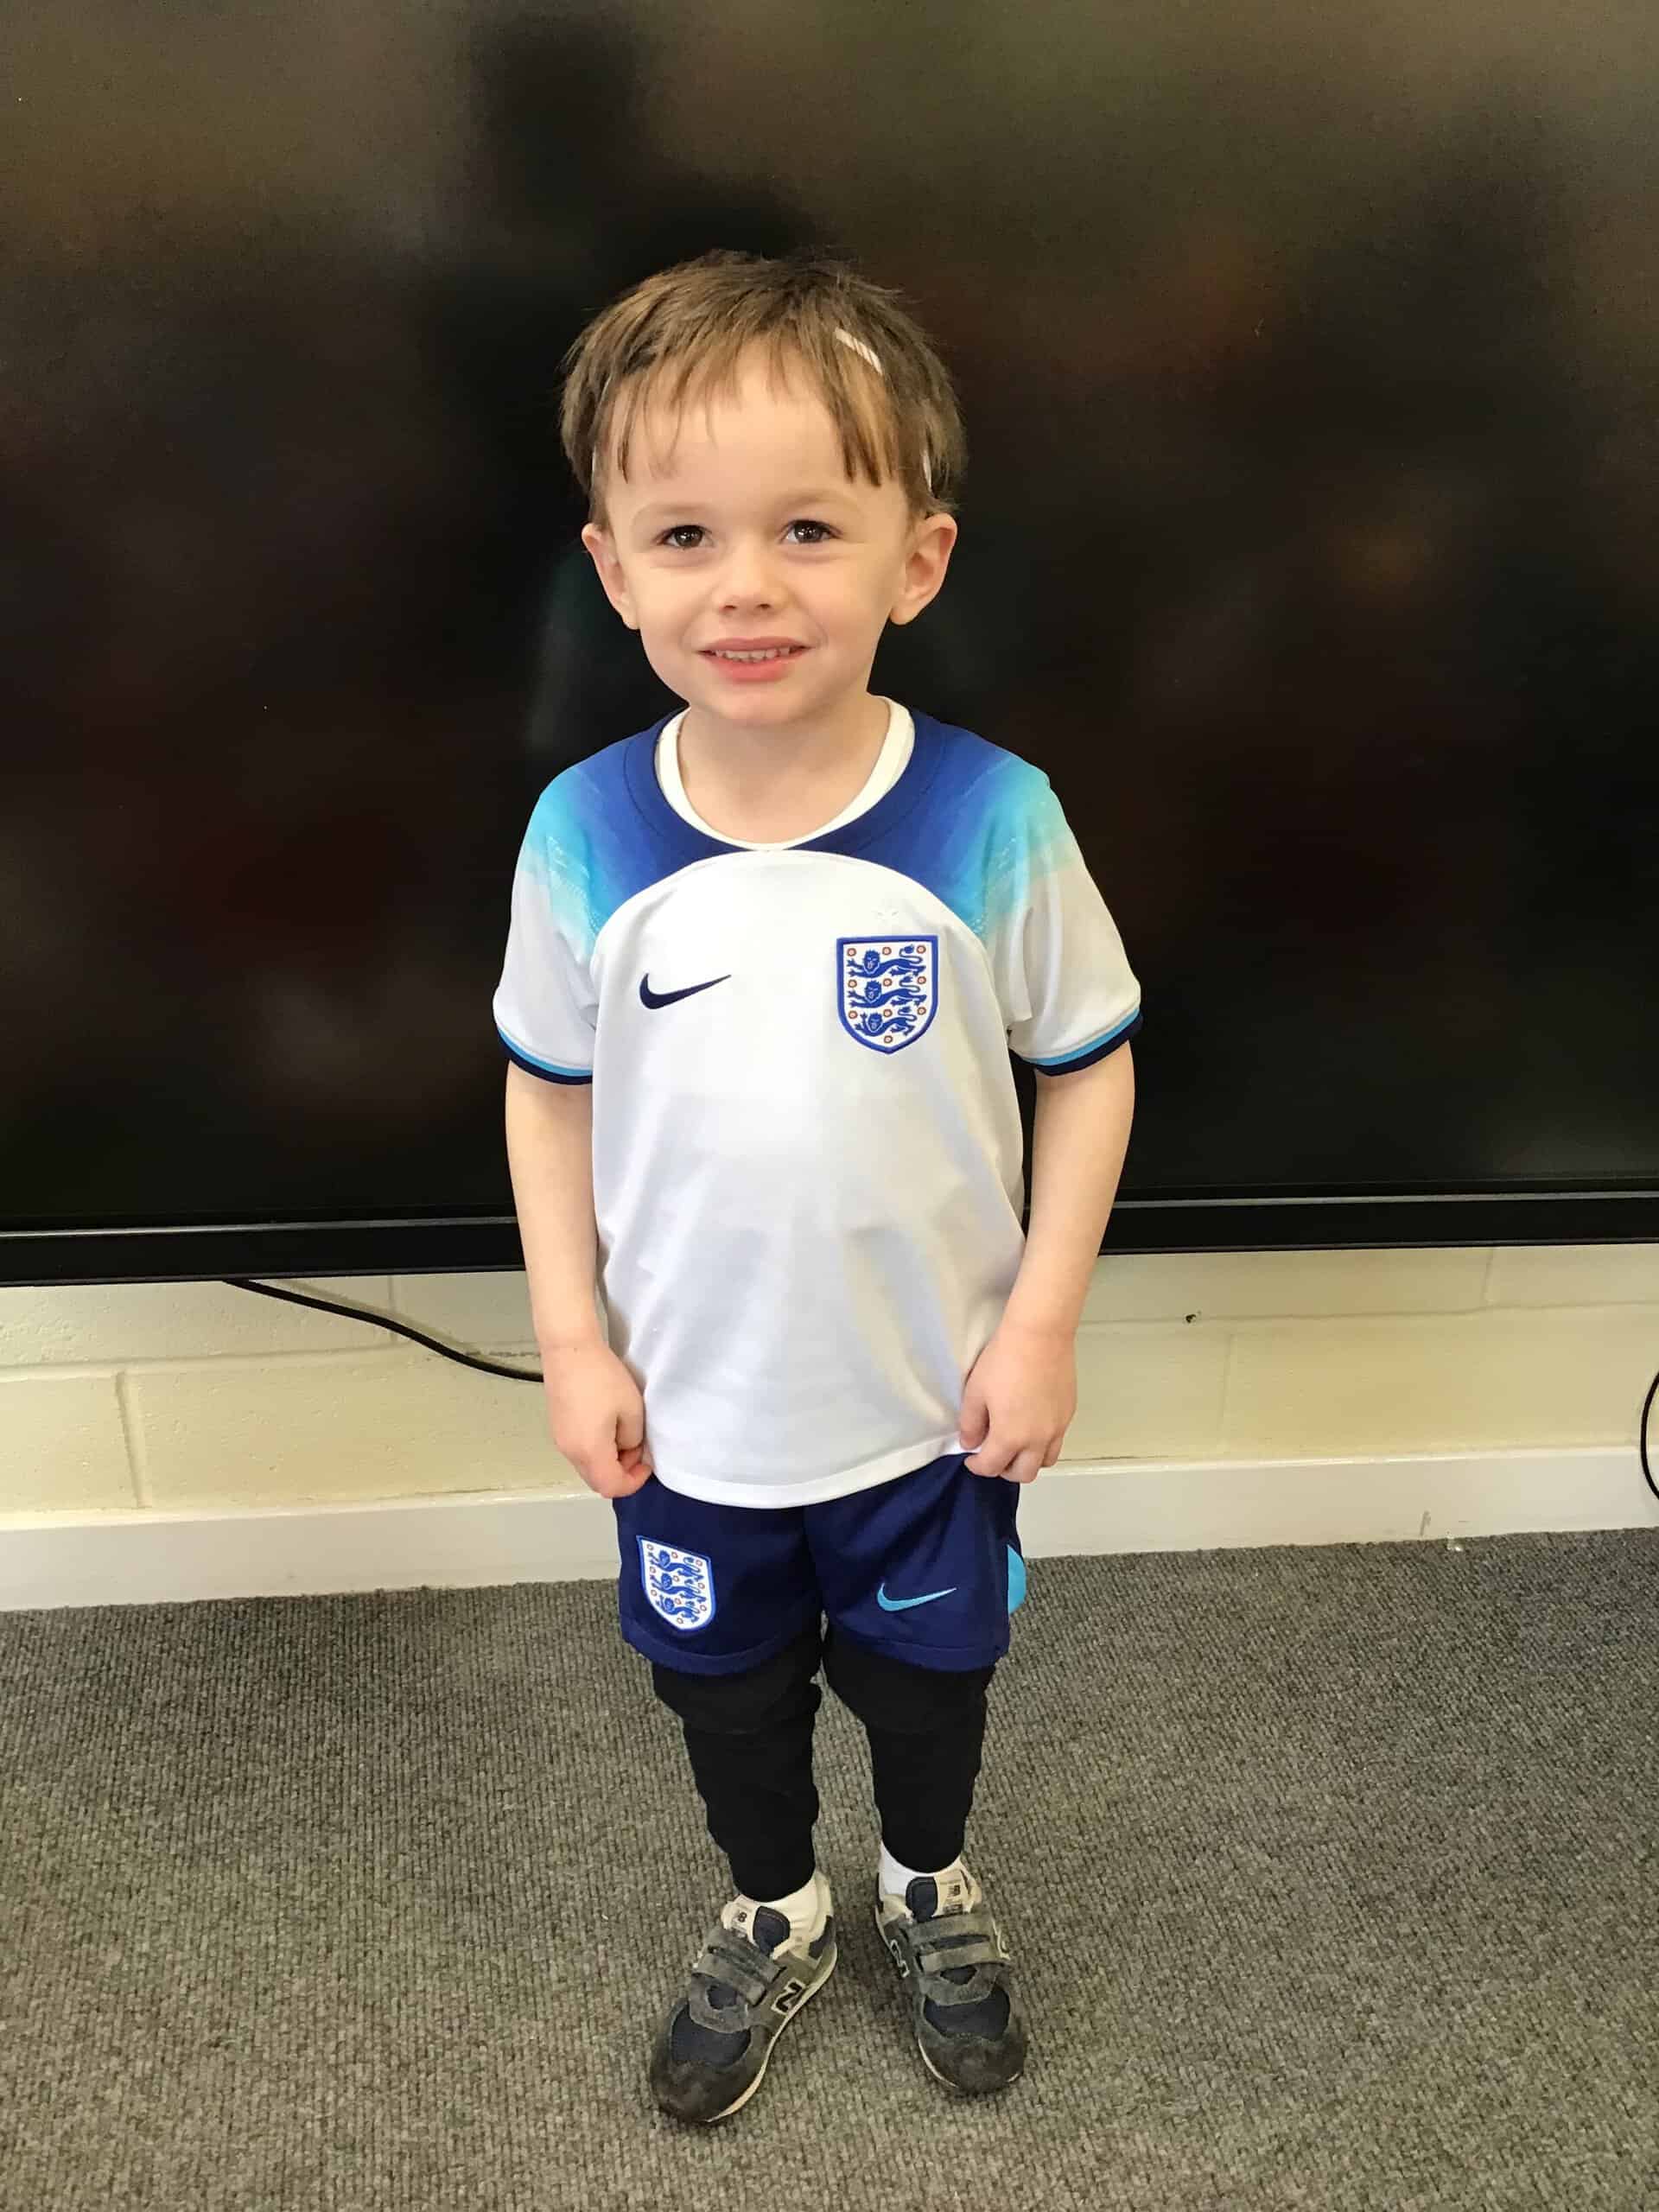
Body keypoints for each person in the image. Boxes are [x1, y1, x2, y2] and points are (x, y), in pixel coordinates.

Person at [493, 248, 1141, 2125]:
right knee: (726, 1694)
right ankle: (773, 1903)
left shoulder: (993, 815)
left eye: (806, 527)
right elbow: (545, 1096)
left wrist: (1041, 1327)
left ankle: (926, 1880)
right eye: (686, 535)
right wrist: (571, 1341)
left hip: (931, 1413)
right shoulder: (585, 831)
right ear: (615, 572)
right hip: (691, 1420)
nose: (748, 585)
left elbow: (1088, 1065)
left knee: (931, 1689)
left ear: (914, 561)